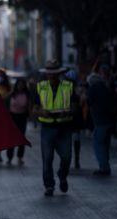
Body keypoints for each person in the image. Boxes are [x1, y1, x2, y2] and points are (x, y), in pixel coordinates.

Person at [33, 60, 77, 196]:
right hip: (47, 127)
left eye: (54, 73)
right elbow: (34, 108)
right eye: (49, 73)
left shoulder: (68, 86)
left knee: (67, 157)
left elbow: (75, 106)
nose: (51, 75)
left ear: (59, 73)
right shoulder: (40, 86)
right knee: (47, 158)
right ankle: (49, 185)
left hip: (64, 126)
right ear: (46, 74)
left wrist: (69, 111)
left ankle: (62, 175)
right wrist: (41, 112)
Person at [86, 64, 116, 176]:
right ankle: (106, 164)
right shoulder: (105, 87)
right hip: (109, 121)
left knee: (98, 144)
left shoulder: (93, 88)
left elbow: (88, 101)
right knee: (105, 144)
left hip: (100, 121)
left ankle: (104, 167)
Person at [6, 78, 30, 165]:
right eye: (19, 84)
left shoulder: (27, 95)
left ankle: (20, 157)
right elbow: (6, 103)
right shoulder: (12, 94)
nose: (20, 86)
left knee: (21, 137)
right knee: (11, 138)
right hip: (12, 117)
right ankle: (9, 157)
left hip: (22, 117)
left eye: (22, 84)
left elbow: (29, 106)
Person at [64, 69, 84, 169]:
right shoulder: (67, 89)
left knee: (73, 139)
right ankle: (73, 159)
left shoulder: (77, 90)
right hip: (69, 117)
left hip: (73, 118)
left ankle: (75, 159)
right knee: (71, 140)